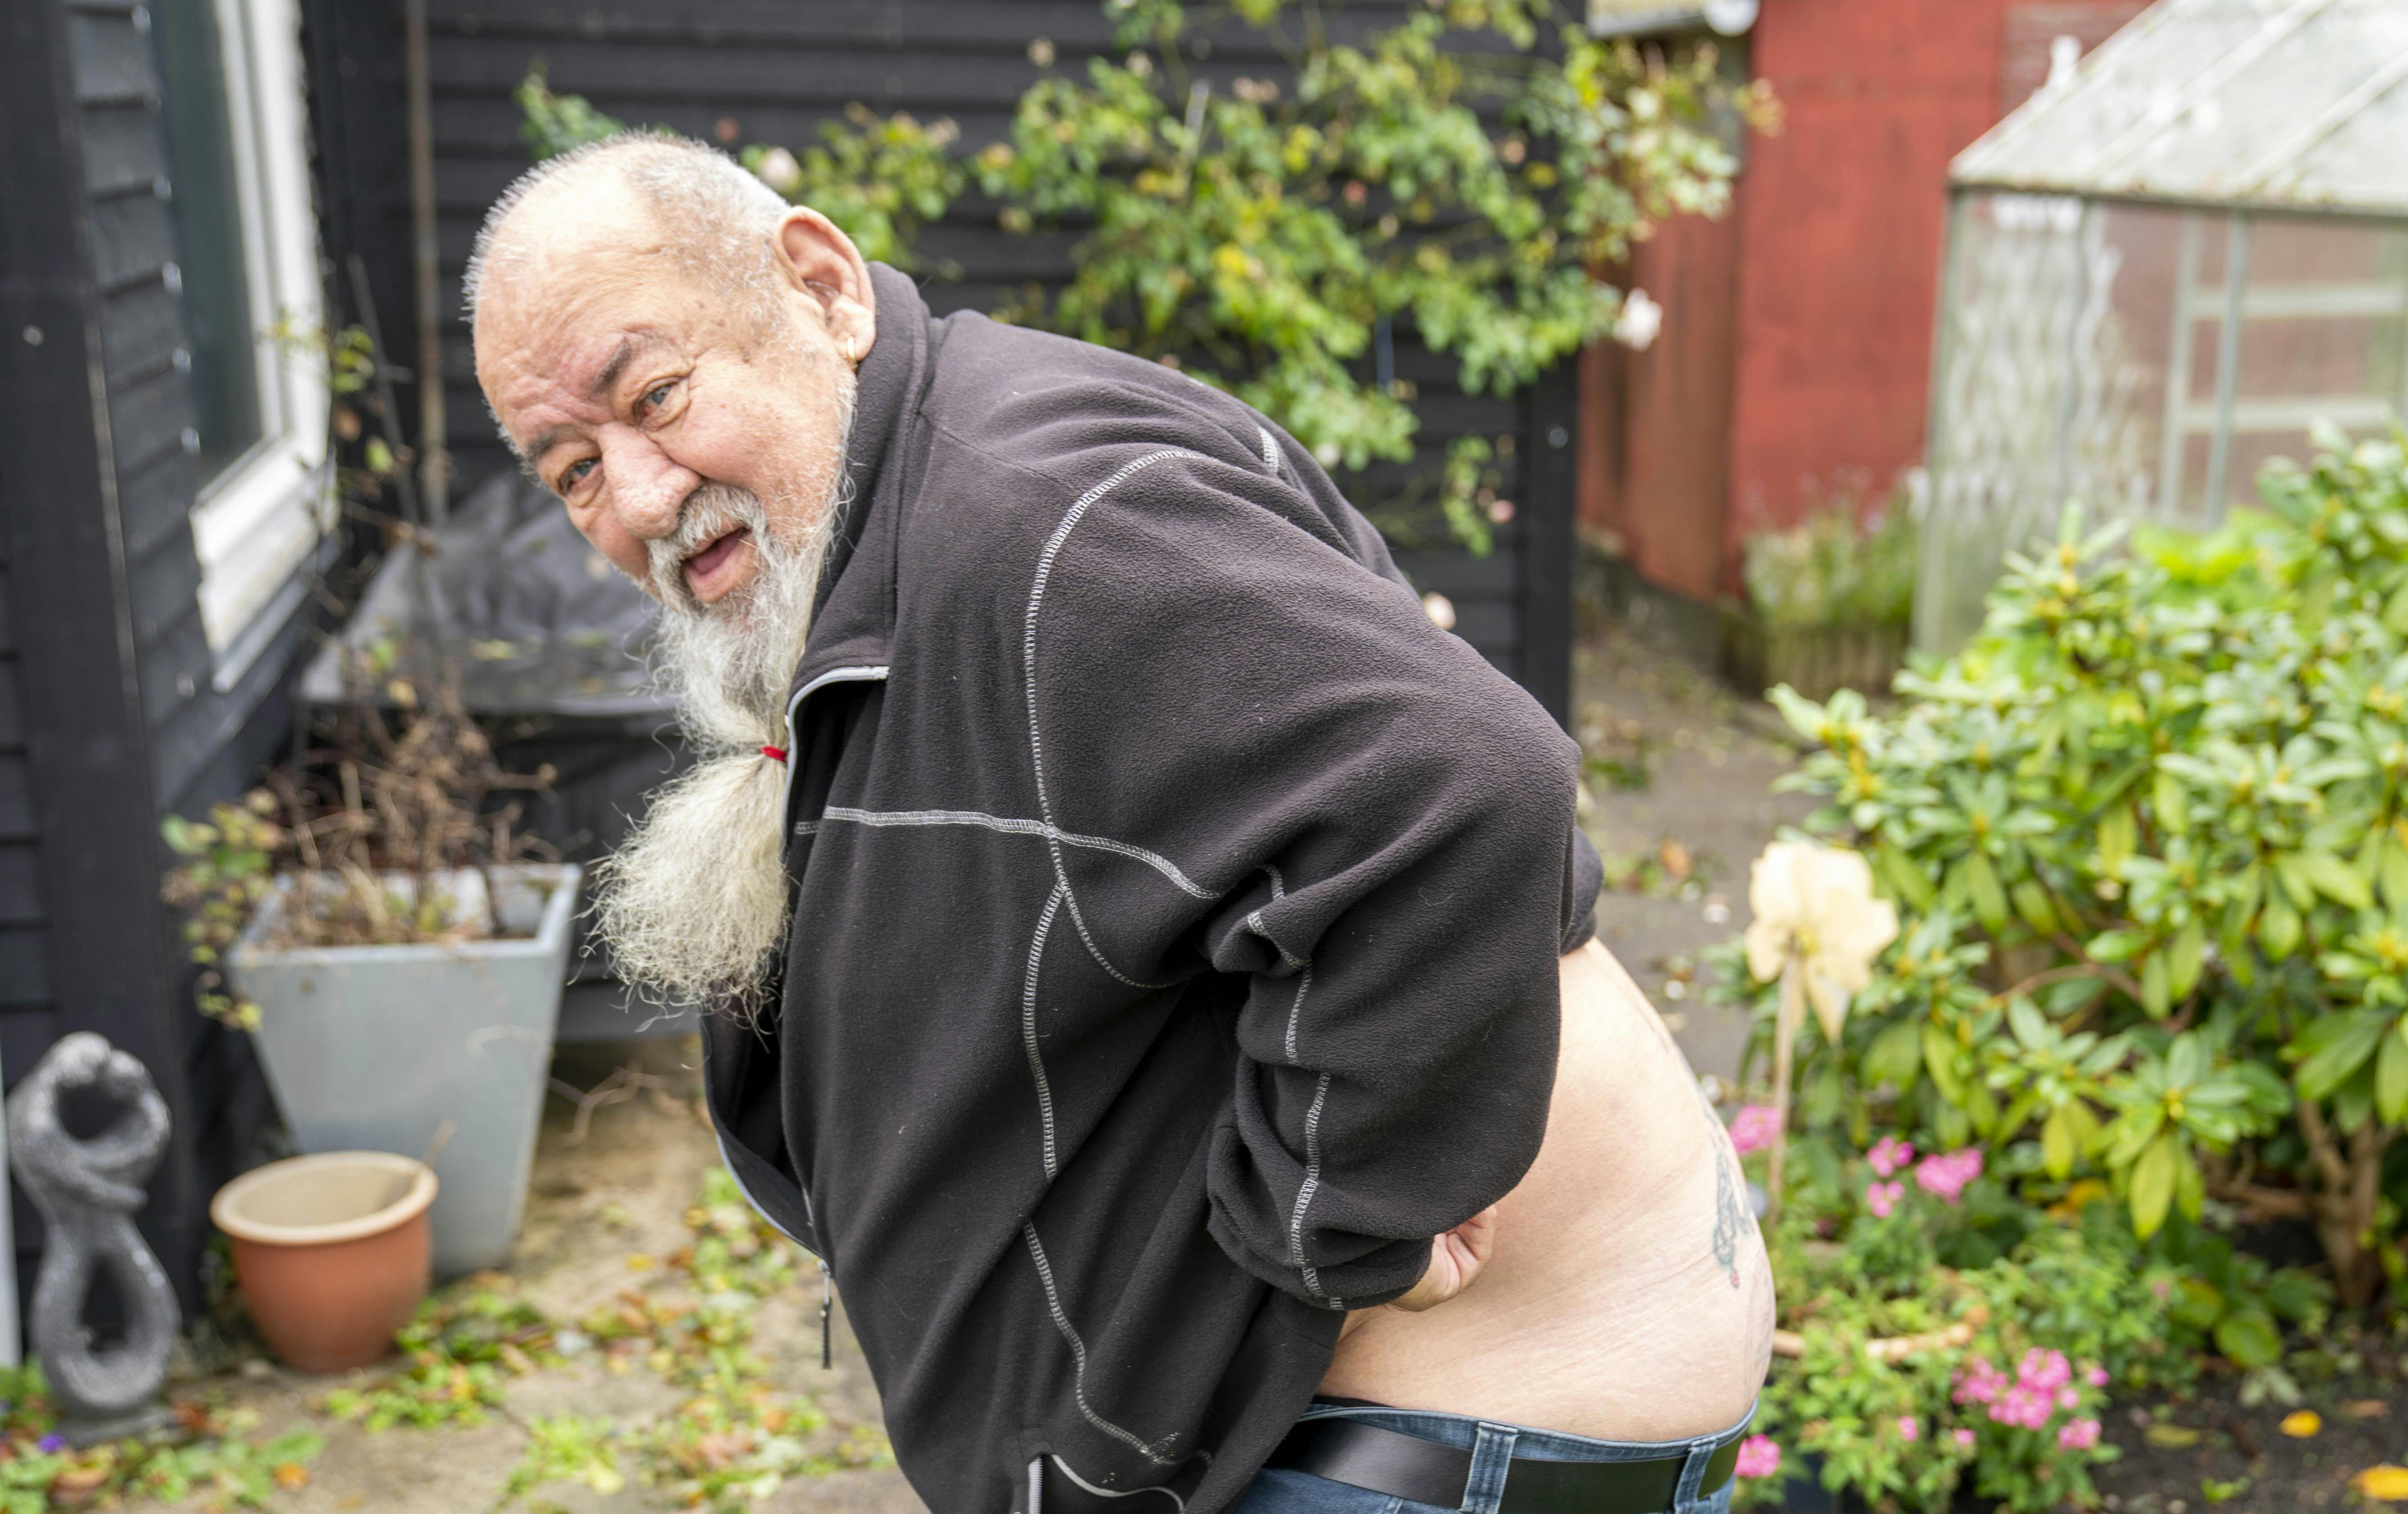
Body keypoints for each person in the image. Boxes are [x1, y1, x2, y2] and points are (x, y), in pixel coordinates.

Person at [465, 133, 1773, 1514]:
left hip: (1428, 1444)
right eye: (574, 473)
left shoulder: (1045, 527)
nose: (643, 497)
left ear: (822, 287)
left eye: (658, 396)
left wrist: (1340, 1226)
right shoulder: (902, 523)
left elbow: (1461, 784)